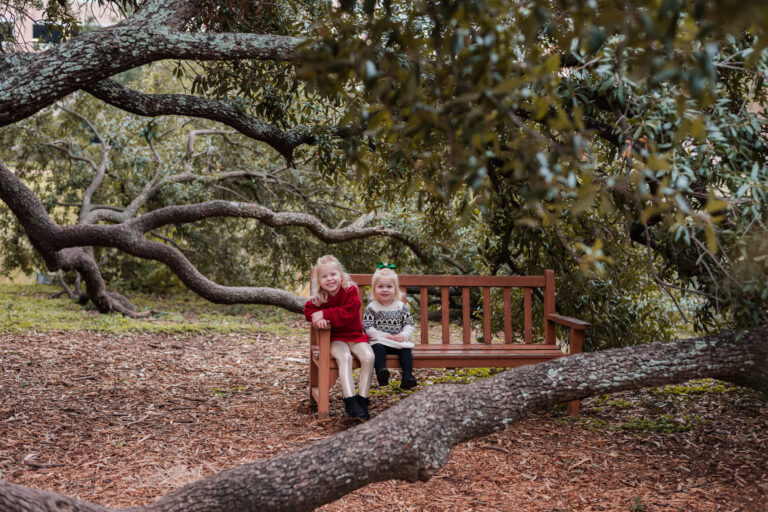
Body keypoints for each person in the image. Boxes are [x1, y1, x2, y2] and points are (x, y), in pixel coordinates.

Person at [304, 255, 374, 420]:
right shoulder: (320, 296)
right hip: (335, 338)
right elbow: (308, 310)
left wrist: (325, 313)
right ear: (319, 280)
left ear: (341, 275)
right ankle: (350, 401)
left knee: (369, 356)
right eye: (324, 276)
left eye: (333, 274)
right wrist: (316, 317)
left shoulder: (350, 290)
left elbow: (349, 312)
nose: (329, 279)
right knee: (345, 357)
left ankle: (362, 400)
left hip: (354, 335)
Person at [362, 264, 418, 390]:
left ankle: (407, 377)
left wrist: (403, 335)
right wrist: (382, 335)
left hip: (397, 342)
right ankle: (382, 372)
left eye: (389, 286)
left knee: (406, 351)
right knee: (377, 348)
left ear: (395, 289)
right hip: (381, 341)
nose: (385, 289)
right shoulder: (372, 307)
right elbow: (368, 327)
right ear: (374, 289)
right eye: (380, 286)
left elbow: (409, 324)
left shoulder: (401, 306)